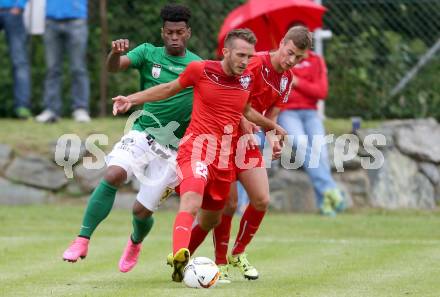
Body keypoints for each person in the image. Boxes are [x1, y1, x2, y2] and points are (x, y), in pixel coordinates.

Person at [112, 28, 286, 283]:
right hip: (196, 149)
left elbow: (246, 109)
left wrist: (272, 126)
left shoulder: (246, 79)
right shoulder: (201, 70)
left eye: (249, 57)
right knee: (191, 200)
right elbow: (168, 89)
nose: (245, 62)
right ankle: (180, 251)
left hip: (224, 159)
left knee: (212, 217)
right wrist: (132, 99)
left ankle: (180, 262)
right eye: (240, 55)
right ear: (225, 52)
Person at [62, 4, 202, 274]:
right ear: (162, 32)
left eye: (180, 32)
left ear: (188, 33)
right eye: (170, 32)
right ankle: (82, 238)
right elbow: (115, 68)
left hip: (173, 149)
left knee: (141, 211)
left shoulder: (197, 66)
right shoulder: (148, 52)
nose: (174, 37)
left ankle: (135, 242)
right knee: (113, 174)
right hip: (142, 132)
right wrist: (114, 54)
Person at [187, 25, 313, 283]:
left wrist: (273, 139)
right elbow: (239, 105)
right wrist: (268, 127)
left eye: (299, 58)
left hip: (246, 141)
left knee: (261, 200)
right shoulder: (254, 63)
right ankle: (214, 262)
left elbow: (271, 116)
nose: (291, 60)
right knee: (227, 205)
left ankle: (238, 252)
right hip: (222, 139)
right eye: (290, 53)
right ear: (282, 42)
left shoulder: (287, 79)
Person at [277, 31, 345, 216]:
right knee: (302, 144)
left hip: (310, 113)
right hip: (288, 112)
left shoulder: (316, 61)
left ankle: (326, 204)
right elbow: (283, 91)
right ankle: (331, 191)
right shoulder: (284, 59)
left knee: (321, 153)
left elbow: (321, 91)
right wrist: (306, 86)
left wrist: (298, 82)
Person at [36, 0, 90, 123]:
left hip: (77, 18)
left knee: (78, 68)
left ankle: (81, 109)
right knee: (52, 69)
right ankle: (51, 110)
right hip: (51, 19)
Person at [0, 0, 32, 119]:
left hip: (12, 12)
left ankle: (22, 107)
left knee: (19, 62)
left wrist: (19, 6)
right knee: (20, 62)